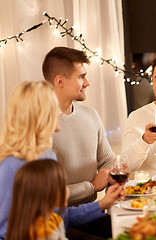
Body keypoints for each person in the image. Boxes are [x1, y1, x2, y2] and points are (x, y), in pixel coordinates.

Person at [0, 81, 124, 240]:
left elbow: (61, 217)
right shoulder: (9, 167)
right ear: (39, 114)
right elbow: (3, 231)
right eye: (54, 107)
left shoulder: (48, 156)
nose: (60, 112)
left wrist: (103, 204)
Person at [42, 46, 114, 206]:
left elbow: (108, 160)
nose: (87, 83)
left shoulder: (91, 114)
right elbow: (47, 193)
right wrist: (93, 186)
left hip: (93, 210)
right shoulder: (38, 124)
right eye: (81, 77)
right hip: (57, 220)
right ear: (59, 81)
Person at [6, 160, 68, 240]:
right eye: (64, 185)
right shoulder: (43, 232)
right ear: (47, 193)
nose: (67, 190)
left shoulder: (55, 218)